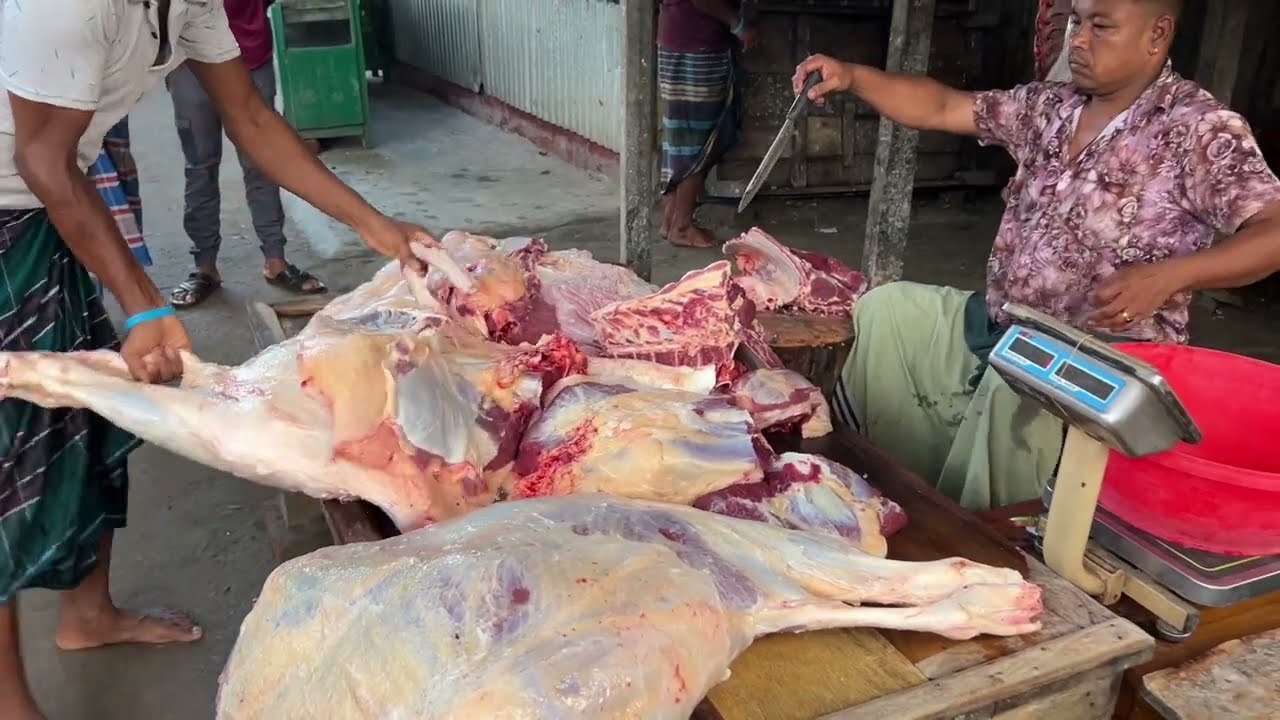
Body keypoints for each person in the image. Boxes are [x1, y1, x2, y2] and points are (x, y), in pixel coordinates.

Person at [0, 1, 430, 716]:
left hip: (49, 206)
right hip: (19, 203)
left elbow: (251, 119)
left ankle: (87, 617)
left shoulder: (194, 3)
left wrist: (379, 229)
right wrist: (143, 305)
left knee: (94, 417)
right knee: (10, 450)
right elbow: (42, 156)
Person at [793, 0, 1280, 511]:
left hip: (1102, 360)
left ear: (1157, 34)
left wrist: (1170, 276)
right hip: (1006, 323)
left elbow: (1272, 231)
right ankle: (890, 489)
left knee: (1017, 393)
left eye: (1101, 27)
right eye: (1076, 22)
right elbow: (941, 106)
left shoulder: (1200, 129)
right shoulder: (1052, 106)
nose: (1079, 41)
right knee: (888, 311)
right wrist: (852, 77)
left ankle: (985, 537)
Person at [167, 0, 324, 307]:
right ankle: (204, 267)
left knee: (262, 164)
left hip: (250, 57)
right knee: (201, 167)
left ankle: (275, 260)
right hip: (190, 64)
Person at [657, 0, 760, 248]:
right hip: (696, 45)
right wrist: (737, 24)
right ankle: (681, 226)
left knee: (681, 136)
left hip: (680, 39)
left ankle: (671, 220)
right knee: (699, 140)